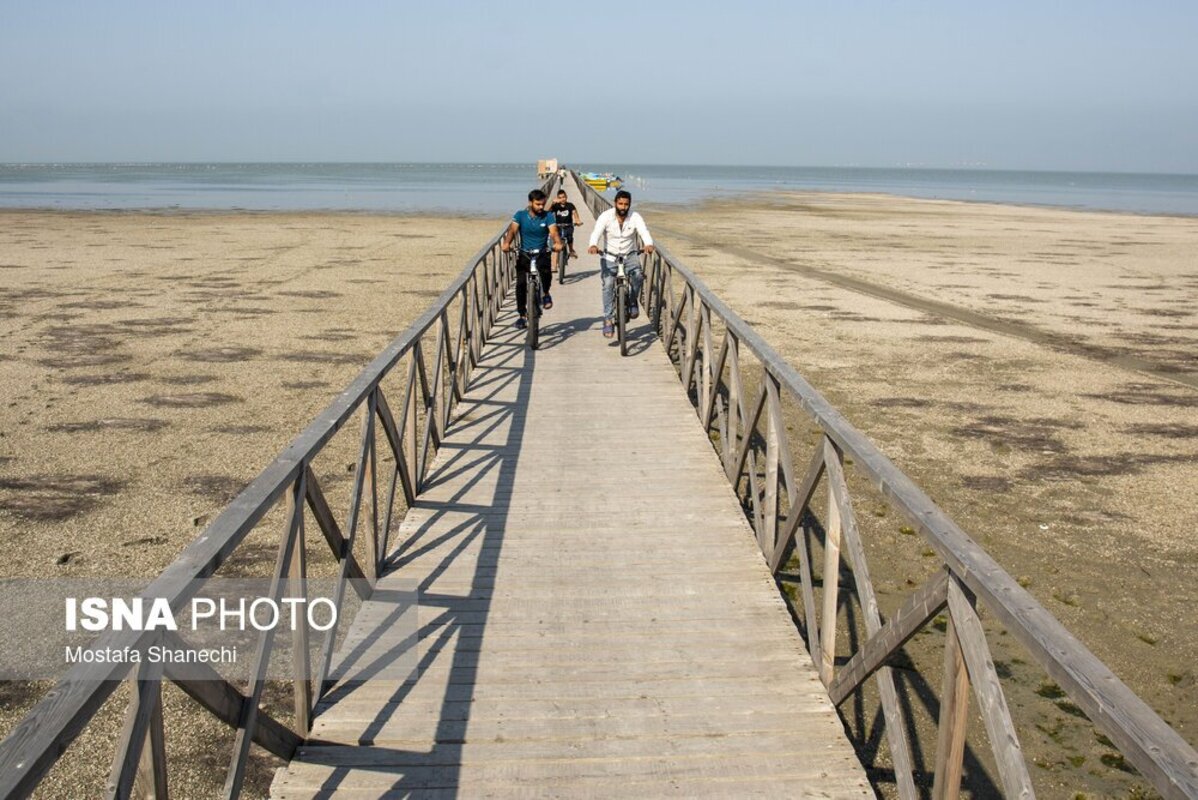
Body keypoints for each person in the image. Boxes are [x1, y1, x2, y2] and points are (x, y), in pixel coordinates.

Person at [587, 190, 655, 338]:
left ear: (629, 204)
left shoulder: (635, 217)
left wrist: (648, 244)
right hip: (609, 256)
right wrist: (593, 244)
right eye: (620, 204)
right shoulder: (606, 216)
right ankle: (608, 319)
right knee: (608, 284)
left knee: (638, 276)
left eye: (626, 204)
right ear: (615, 203)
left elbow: (644, 231)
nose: (623, 207)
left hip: (630, 255)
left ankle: (632, 300)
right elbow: (596, 232)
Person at [501, 189, 562, 329]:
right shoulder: (520, 215)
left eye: (543, 204)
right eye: (538, 204)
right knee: (521, 284)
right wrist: (507, 243)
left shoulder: (548, 216)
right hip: (525, 253)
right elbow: (512, 230)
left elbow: (554, 232)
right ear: (530, 203)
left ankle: (546, 293)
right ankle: (522, 315)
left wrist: (558, 243)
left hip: (542, 252)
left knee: (546, 273)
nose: (541, 207)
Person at [549, 188, 583, 262]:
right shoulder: (556, 206)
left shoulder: (570, 205)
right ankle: (554, 263)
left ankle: (571, 250)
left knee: (570, 237)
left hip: (568, 225)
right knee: (556, 240)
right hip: (558, 226)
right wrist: (552, 203)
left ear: (566, 197)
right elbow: (548, 212)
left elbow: (574, 213)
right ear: (557, 198)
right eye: (560, 198)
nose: (562, 199)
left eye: (564, 197)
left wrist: (577, 220)